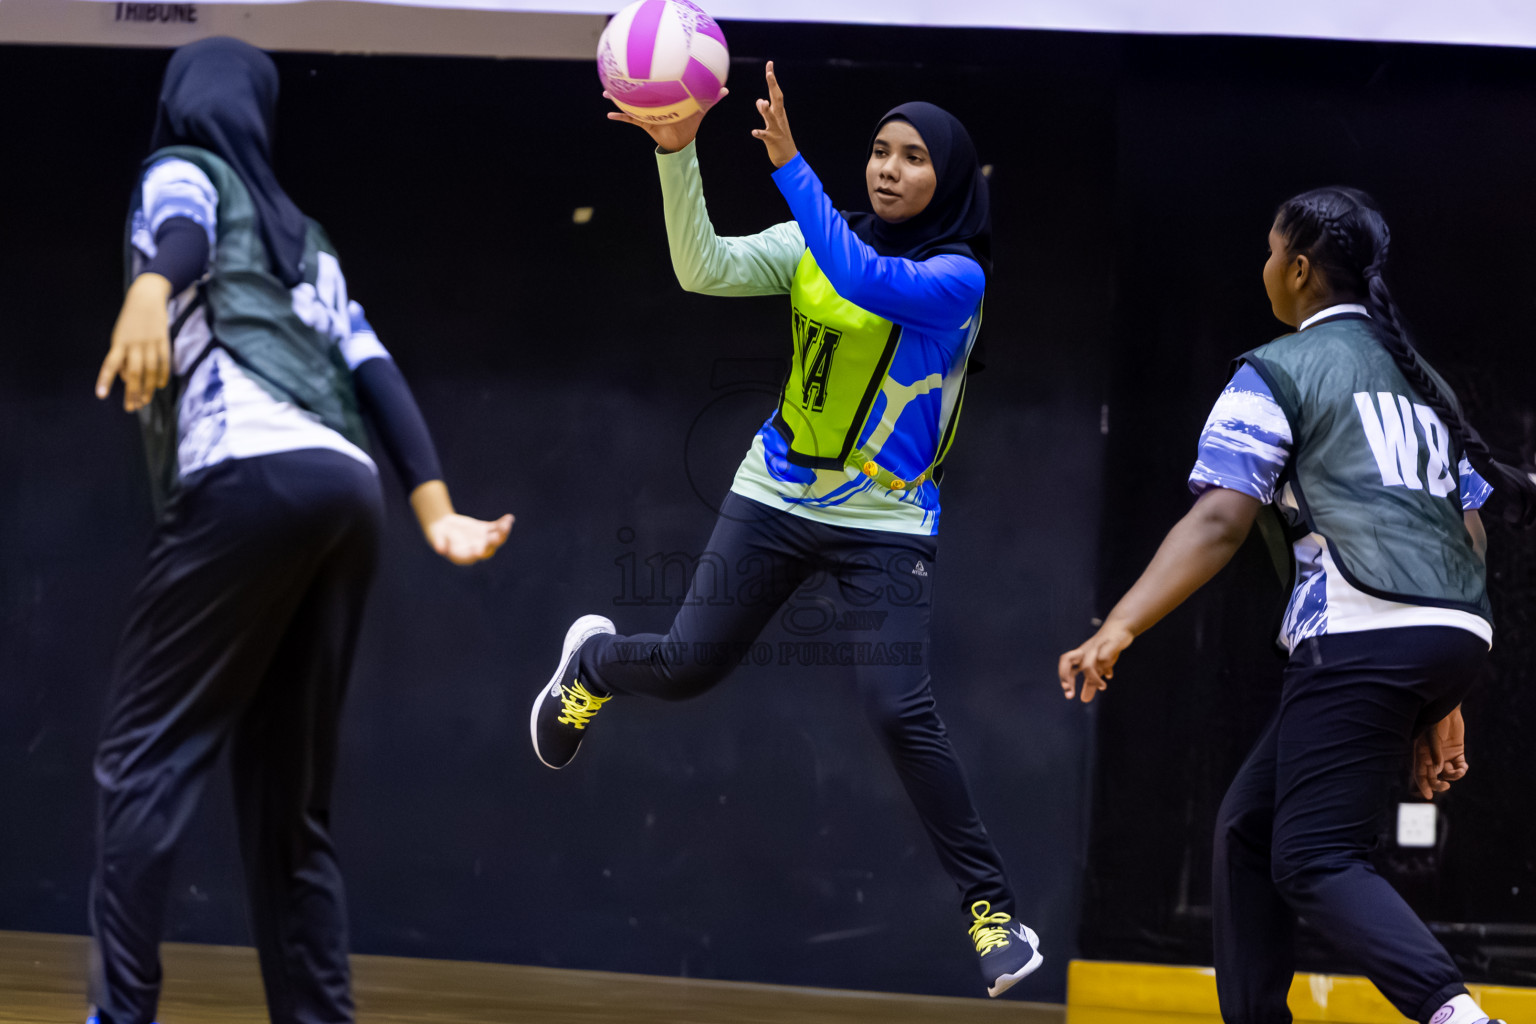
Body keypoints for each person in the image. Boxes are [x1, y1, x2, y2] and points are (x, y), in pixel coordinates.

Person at [528, 63, 1042, 998]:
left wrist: (793, 166)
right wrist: (677, 154)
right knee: (688, 667)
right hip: (775, 491)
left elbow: (867, 278)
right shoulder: (815, 237)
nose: (889, 169)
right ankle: (592, 669)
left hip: (887, 519)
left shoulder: (957, 278)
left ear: (952, 181)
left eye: (915, 158)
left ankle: (993, 913)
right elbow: (703, 266)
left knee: (898, 707)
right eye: (882, 151)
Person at [89, 37, 512, 1024]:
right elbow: (375, 370)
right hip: (348, 496)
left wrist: (151, 286)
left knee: (140, 760)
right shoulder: (309, 236)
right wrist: (436, 509)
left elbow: (182, 235)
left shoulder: (179, 167)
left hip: (250, 473)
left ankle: (120, 1014)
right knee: (292, 809)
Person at [1057, 185, 1533, 1024]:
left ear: (1301, 269)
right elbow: (1471, 534)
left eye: (1272, 251)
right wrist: (1444, 690)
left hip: (1360, 634)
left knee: (1314, 857)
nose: (1265, 266)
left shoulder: (1275, 370)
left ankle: (1458, 1016)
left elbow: (1218, 520)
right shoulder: (1424, 385)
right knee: (1248, 829)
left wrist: (1120, 625)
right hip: (1453, 626)